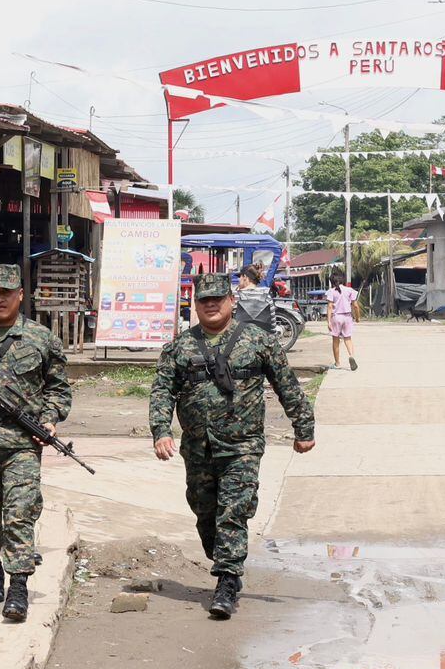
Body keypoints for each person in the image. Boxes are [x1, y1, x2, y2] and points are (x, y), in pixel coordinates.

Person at [150, 274, 315, 619]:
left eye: (217, 299)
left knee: (233, 512)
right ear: (195, 306)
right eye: (204, 300)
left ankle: (227, 581)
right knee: (205, 512)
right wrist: (160, 430)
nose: (211, 305)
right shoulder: (180, 347)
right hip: (197, 447)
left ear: (232, 301)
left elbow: (287, 386)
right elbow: (163, 390)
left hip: (242, 446)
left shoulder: (259, 341)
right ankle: (224, 559)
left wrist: (304, 428)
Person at [0, 263, 72, 622]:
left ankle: (18, 585)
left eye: (7, 293)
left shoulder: (41, 339)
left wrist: (50, 418)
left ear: (20, 295)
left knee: (20, 513)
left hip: (22, 444)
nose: (0, 299)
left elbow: (58, 388)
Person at [325, 268, 359, 371]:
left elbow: (330, 306)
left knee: (336, 341)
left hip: (336, 317)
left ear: (332, 281)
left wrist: (329, 321)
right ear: (342, 280)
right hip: (347, 317)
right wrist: (357, 317)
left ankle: (337, 363)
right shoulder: (349, 290)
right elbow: (355, 305)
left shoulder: (331, 291)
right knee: (348, 339)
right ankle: (351, 355)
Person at [234, 264, 273, 329]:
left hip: (240, 337)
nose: (239, 280)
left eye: (240, 277)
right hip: (262, 337)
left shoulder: (236, 296)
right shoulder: (267, 297)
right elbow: (272, 325)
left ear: (245, 277)